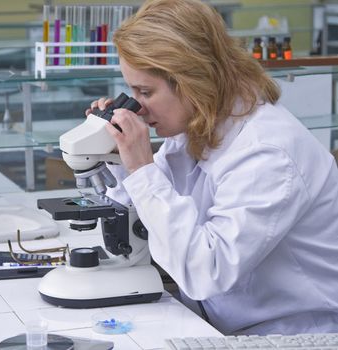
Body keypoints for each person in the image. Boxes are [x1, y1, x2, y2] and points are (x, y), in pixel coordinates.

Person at [88, 0, 338, 336]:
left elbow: (205, 271)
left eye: (144, 92)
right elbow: (139, 209)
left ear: (192, 80)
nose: (137, 107)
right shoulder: (196, 127)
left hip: (292, 335)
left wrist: (141, 168)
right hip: (220, 322)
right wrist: (114, 152)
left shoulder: (268, 153)